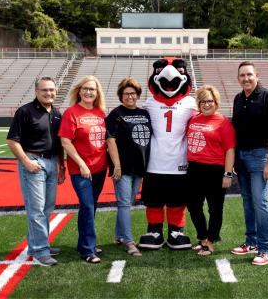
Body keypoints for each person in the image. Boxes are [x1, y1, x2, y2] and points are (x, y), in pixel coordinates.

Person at [138, 58, 196, 250]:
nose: (169, 86)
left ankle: (175, 231)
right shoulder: (149, 103)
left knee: (177, 200)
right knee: (153, 199)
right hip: (154, 163)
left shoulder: (190, 103)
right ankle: (154, 230)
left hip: (179, 163)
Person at [6, 76, 66, 267]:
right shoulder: (25, 111)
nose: (49, 93)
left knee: (47, 207)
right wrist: (26, 161)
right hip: (33, 162)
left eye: (51, 90)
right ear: (36, 91)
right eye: (44, 90)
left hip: (52, 162)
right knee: (36, 209)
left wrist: (62, 165)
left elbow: (59, 143)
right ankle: (41, 251)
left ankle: (39, 244)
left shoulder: (56, 113)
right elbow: (12, 140)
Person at [230, 61, 268, 266]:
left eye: (249, 74)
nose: (246, 78)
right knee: (247, 201)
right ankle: (251, 242)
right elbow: (235, 131)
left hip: (260, 156)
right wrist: (234, 158)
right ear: (238, 79)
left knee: (260, 202)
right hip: (241, 157)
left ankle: (265, 248)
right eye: (242, 75)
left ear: (257, 75)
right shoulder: (237, 98)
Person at [58, 75, 107, 264]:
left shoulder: (100, 113)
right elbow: (65, 141)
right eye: (85, 88)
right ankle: (88, 249)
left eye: (92, 90)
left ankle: (83, 244)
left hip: (100, 168)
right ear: (79, 91)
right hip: (81, 169)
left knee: (91, 207)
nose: (88, 92)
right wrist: (81, 163)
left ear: (97, 93)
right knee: (87, 205)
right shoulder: (71, 113)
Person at [186, 85, 235, 256]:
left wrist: (227, 174)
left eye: (210, 101)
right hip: (194, 169)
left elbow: (230, 150)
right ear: (198, 104)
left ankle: (211, 240)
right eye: (203, 101)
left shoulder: (223, 122)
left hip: (215, 170)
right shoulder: (193, 120)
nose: (206, 104)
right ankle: (202, 236)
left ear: (216, 102)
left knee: (215, 208)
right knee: (193, 206)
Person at [106, 77, 152, 257]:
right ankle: (128, 241)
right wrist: (116, 165)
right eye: (126, 94)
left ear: (138, 94)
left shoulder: (144, 113)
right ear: (120, 96)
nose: (130, 97)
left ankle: (118, 235)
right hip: (123, 168)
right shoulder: (116, 114)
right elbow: (110, 140)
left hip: (139, 167)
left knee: (128, 202)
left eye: (133, 93)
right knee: (124, 204)